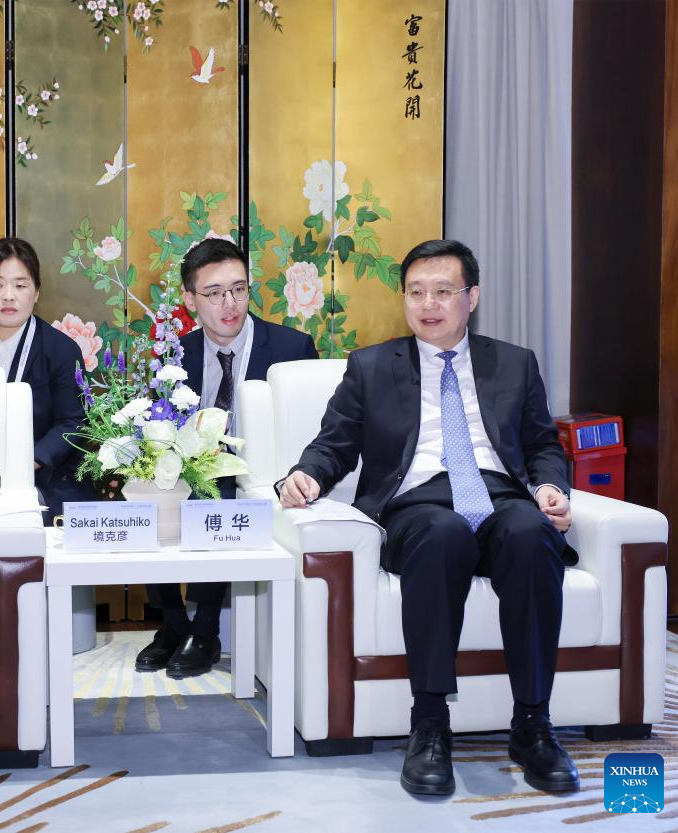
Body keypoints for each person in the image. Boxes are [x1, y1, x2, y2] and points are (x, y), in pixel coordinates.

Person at [278, 239, 579, 797]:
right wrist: (305, 476)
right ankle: (431, 723)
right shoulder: (371, 366)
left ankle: (533, 724)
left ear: (472, 297)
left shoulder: (514, 362)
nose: (428, 304)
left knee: (531, 533)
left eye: (443, 291)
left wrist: (548, 489)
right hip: (417, 506)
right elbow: (334, 444)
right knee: (442, 535)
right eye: (416, 292)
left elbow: (542, 445)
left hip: (498, 498)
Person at [137, 237, 319, 678]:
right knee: (144, 489)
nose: (230, 304)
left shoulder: (291, 349)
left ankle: (205, 630)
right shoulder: (175, 354)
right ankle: (173, 624)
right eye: (215, 293)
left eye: (238, 289)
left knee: (214, 492)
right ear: (190, 300)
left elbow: (311, 434)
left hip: (263, 477)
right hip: (192, 472)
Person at [0, 237, 96, 523]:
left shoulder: (62, 350)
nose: (8, 296)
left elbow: (74, 422)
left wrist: (28, 463)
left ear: (36, 292)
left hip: (47, 475)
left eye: (20, 285)